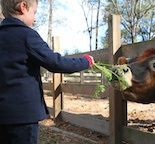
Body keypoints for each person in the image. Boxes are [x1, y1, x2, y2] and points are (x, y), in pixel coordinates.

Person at [0, 0, 94, 143]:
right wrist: (85, 61)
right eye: (34, 12)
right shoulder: (27, 35)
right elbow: (56, 62)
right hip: (23, 117)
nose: (35, 18)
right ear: (23, 7)